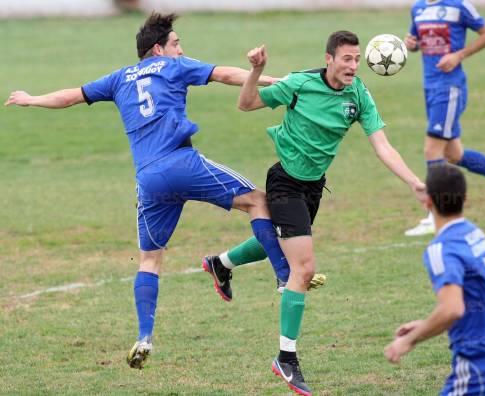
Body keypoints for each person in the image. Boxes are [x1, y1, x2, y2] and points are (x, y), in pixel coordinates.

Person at [4, 12, 290, 370]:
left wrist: (31, 99)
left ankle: (144, 337)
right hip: (182, 163)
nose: (181, 49)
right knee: (258, 200)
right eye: (176, 43)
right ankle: (284, 276)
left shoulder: (118, 78)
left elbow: (70, 96)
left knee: (150, 259)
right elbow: (226, 75)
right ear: (158, 49)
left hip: (149, 179)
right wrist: (279, 79)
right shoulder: (174, 66)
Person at [238, 31, 426, 395]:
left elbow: (383, 146)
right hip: (284, 182)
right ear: (329, 59)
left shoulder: (359, 96)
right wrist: (256, 70)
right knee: (303, 268)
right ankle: (286, 358)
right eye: (347, 59)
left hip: (313, 187)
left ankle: (221, 264)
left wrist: (414, 182)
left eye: (357, 59)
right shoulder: (299, 84)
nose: (353, 66)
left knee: (278, 242)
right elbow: (246, 104)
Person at [384, 164, 485, 395]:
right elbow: (484, 304)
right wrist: (426, 325)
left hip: (482, 369)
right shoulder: (476, 235)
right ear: (465, 198)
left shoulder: (441, 249)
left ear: (428, 203)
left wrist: (409, 340)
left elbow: (452, 309)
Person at [403, 0, 485, 236]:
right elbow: (417, 41)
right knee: (453, 154)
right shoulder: (417, 8)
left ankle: (435, 215)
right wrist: (411, 45)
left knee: (432, 150)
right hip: (430, 87)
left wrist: (459, 55)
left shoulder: (459, 6)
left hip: (450, 89)